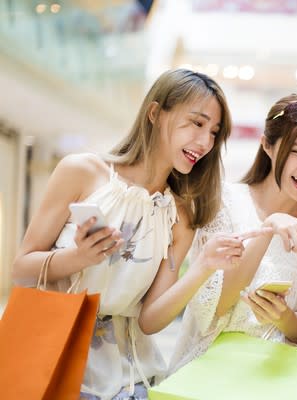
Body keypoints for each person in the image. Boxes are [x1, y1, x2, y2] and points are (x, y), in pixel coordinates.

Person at [12, 69, 249, 400]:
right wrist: (76, 258)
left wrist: (203, 267)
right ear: (155, 113)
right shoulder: (81, 172)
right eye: (197, 123)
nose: (205, 142)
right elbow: (21, 268)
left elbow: (150, 320)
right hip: (52, 355)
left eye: (214, 132)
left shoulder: (179, 215)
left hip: (127, 376)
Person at [170, 94, 297, 372]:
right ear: (267, 146)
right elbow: (213, 308)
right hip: (203, 375)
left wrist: (285, 318)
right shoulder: (222, 201)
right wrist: (268, 228)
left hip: (271, 378)